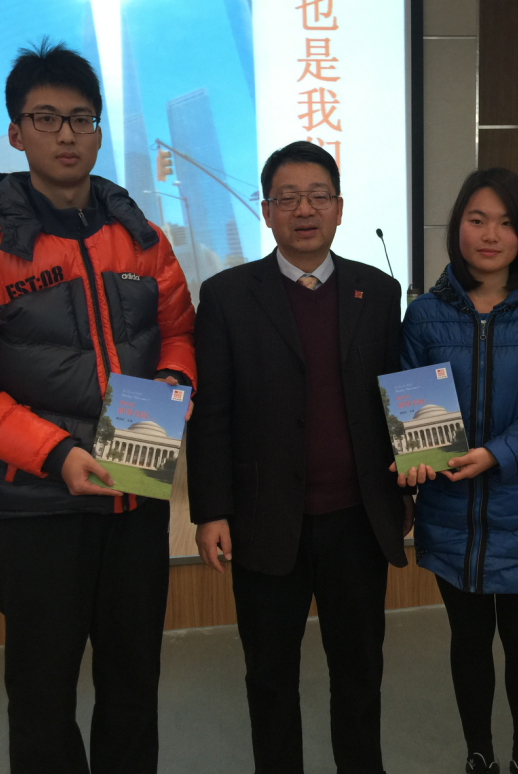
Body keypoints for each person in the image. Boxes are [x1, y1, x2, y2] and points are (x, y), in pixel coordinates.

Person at [0, 41, 195, 774]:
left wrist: (172, 383)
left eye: (81, 119)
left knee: (133, 689)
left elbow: (177, 332)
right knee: (41, 699)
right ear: (16, 133)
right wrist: (54, 452)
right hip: (38, 506)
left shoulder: (142, 239)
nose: (66, 134)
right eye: (46, 118)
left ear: (98, 132)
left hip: (135, 499)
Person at [187, 141, 413, 774]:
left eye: (318, 196)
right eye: (287, 199)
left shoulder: (379, 290)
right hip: (264, 519)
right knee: (269, 679)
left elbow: (396, 394)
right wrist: (211, 511)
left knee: (360, 675)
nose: (304, 210)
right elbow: (213, 411)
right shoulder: (228, 295)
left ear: (339, 208)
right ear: (266, 212)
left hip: (357, 520)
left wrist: (407, 488)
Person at [397, 168, 518, 774]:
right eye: (477, 220)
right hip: (450, 511)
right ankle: (478, 754)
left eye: (506, 223)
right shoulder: (425, 315)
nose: (490, 235)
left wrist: (498, 453)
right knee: (468, 642)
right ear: (457, 226)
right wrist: (411, 457)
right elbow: (406, 401)